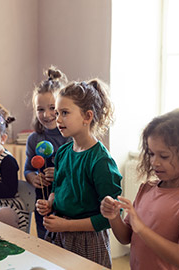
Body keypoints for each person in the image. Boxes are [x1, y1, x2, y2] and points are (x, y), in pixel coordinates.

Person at [100, 108, 179, 270]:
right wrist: (114, 216)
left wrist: (142, 229)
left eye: (164, 156)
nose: (154, 162)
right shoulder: (147, 188)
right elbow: (126, 237)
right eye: (151, 154)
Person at [35, 79, 122, 268]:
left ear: (87, 116)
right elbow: (57, 189)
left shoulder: (101, 162)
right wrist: (49, 203)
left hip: (87, 242)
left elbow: (108, 217)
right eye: (58, 113)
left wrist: (66, 226)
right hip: (59, 236)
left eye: (64, 113)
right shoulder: (64, 153)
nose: (57, 119)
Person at [24, 66, 69, 239]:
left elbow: (77, 174)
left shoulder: (70, 138)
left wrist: (59, 173)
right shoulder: (34, 139)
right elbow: (28, 169)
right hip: (41, 201)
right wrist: (32, 177)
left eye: (52, 108)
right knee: (45, 237)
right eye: (40, 109)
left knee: (62, 241)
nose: (47, 114)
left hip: (64, 202)